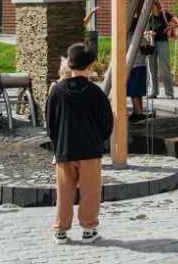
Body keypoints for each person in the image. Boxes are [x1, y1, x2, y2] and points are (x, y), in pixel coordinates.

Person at [46, 42, 113, 245]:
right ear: (90, 66)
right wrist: (98, 139)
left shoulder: (57, 91)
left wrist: (57, 144)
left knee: (64, 192)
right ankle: (88, 230)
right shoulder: (97, 93)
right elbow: (107, 124)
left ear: (70, 64)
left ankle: (60, 231)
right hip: (90, 150)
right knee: (90, 192)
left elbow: (50, 124)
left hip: (65, 150)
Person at [147, 0, 178, 98]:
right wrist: (149, 33)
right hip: (151, 43)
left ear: (157, 6)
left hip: (163, 43)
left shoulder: (164, 14)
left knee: (165, 68)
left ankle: (169, 93)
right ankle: (154, 92)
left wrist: (169, 28)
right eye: (151, 6)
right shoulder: (149, 17)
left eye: (153, 6)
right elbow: (144, 29)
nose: (152, 8)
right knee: (152, 68)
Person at [127, 19, 150, 124]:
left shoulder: (129, 37)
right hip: (142, 66)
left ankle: (139, 113)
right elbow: (148, 50)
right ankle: (137, 111)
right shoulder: (142, 38)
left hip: (133, 67)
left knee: (133, 91)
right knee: (138, 91)